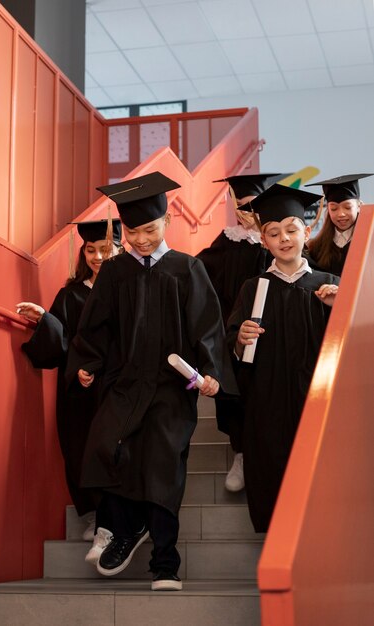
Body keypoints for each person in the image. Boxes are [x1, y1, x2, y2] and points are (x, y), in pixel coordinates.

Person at [66, 171, 238, 591]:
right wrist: (86, 363)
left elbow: (207, 327)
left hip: (169, 388)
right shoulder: (115, 271)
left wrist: (212, 372)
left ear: (166, 223)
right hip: (123, 383)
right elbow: (95, 328)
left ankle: (165, 564)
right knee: (106, 447)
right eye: (132, 230)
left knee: (162, 466)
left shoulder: (187, 268)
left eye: (149, 229)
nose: (141, 239)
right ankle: (123, 529)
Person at [226, 184, 339, 533]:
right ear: (263, 240)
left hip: (316, 400)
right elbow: (235, 344)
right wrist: (239, 338)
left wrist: (341, 311)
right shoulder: (252, 288)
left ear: (308, 231)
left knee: (318, 477)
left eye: (292, 229)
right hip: (268, 400)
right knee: (273, 473)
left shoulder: (329, 285)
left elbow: (350, 349)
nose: (284, 238)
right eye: (274, 233)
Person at [17, 219, 123, 565]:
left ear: (119, 249)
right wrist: (44, 319)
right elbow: (63, 338)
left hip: (116, 386)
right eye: (90, 250)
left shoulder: (128, 289)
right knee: (79, 448)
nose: (96, 256)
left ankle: (116, 520)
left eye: (104, 249)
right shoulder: (72, 293)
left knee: (115, 450)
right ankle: (92, 514)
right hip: (79, 391)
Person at [197, 173, 284, 492]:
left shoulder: (276, 240)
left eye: (252, 206)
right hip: (234, 335)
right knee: (235, 393)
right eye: (241, 206)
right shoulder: (228, 241)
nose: (247, 212)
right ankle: (241, 454)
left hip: (273, 333)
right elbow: (198, 273)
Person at [305, 174, 373, 275]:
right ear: (327, 209)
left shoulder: (370, 242)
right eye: (334, 209)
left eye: (347, 207)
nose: (341, 214)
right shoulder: (315, 248)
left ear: (359, 206)